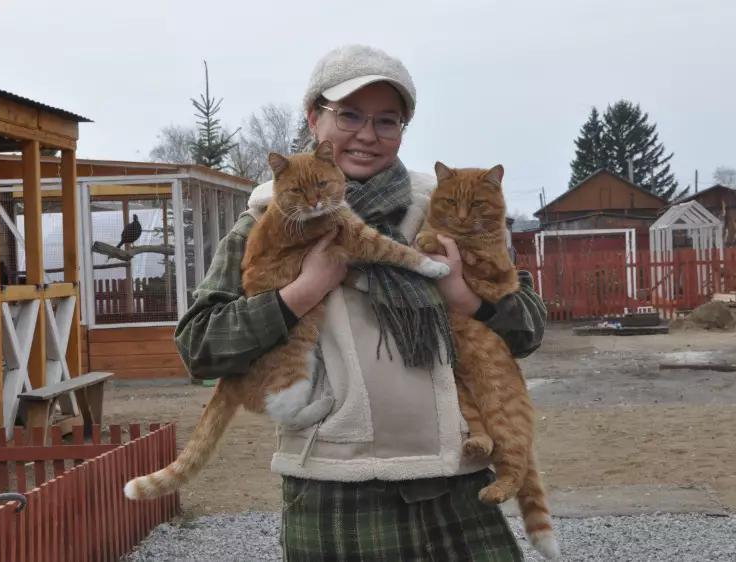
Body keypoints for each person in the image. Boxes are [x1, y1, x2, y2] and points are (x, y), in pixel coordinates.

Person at [175, 44, 547, 561]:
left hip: (457, 480)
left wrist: (467, 299)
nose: (368, 134)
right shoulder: (265, 223)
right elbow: (199, 346)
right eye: (349, 114)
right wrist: (301, 291)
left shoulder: (443, 213)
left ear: (402, 131)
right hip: (335, 488)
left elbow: (528, 329)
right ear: (314, 118)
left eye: (386, 121)